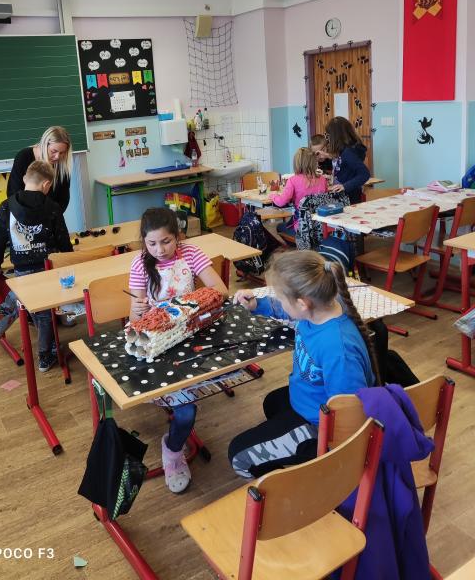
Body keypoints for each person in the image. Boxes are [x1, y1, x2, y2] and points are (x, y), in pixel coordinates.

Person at [228, 250, 379, 478]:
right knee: (272, 402)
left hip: (321, 427)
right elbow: (288, 309)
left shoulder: (338, 350)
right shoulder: (322, 307)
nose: (279, 302)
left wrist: (334, 449)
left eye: (280, 298)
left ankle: (298, 480)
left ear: (302, 303)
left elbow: (350, 413)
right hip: (311, 401)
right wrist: (257, 304)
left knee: (238, 456)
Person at [129, 207, 228, 494]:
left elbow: (221, 290)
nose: (159, 250)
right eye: (152, 243)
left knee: (189, 406)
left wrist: (186, 306)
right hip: (160, 343)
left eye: (166, 241)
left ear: (178, 237)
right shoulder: (140, 264)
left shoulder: (191, 253)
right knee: (185, 413)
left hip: (191, 335)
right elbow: (134, 320)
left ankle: (174, 444)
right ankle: (173, 451)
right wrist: (138, 309)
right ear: (144, 242)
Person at [0, 160, 73, 372]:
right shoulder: (52, 208)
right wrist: (69, 260)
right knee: (44, 313)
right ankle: (45, 355)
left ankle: (49, 346)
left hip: (22, 270)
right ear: (46, 184)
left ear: (25, 179)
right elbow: (63, 241)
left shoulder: (6, 206)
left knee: (38, 311)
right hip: (47, 268)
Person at [7, 126, 73, 213]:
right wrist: (28, 216)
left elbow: (63, 200)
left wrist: (51, 216)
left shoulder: (62, 167)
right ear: (44, 144)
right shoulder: (24, 157)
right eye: (53, 151)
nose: (57, 156)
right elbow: (13, 192)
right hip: (23, 215)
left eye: (62, 153)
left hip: (50, 216)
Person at [271, 147, 327, 237]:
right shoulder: (322, 179)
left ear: (296, 163)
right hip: (321, 226)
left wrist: (273, 196)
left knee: (279, 227)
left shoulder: (293, 180)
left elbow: (281, 202)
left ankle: (298, 243)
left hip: (302, 228)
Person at [324, 116, 370, 204]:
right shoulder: (345, 150)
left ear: (335, 136)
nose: (328, 138)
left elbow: (365, 174)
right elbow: (343, 163)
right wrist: (327, 155)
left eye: (328, 135)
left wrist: (345, 186)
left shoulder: (348, 152)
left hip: (349, 197)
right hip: (347, 195)